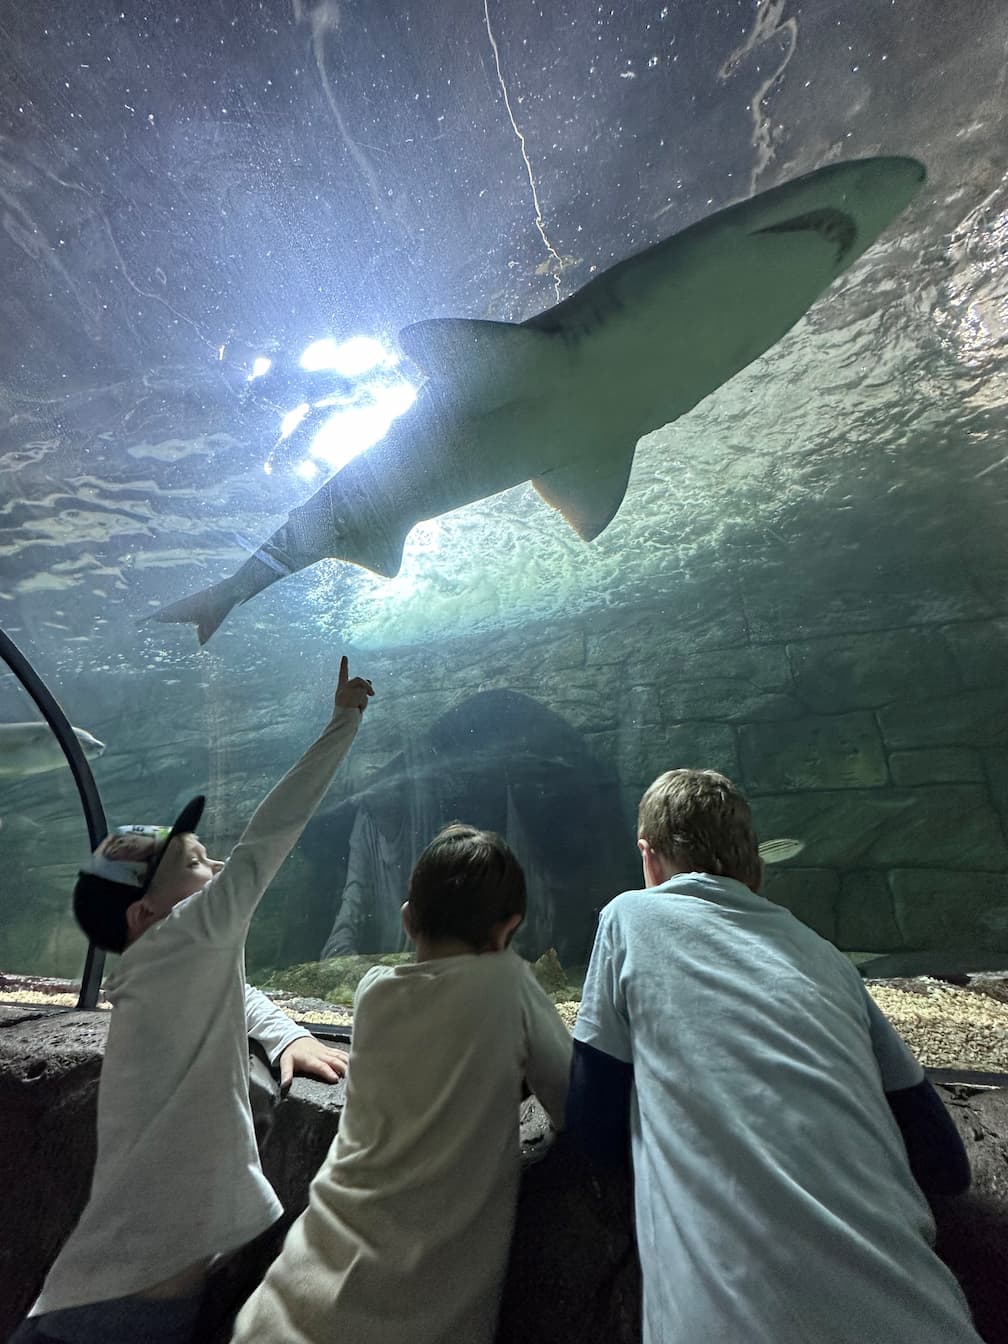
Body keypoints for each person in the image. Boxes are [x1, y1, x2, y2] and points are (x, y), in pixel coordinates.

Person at [12, 655, 374, 1344]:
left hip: (109, 1296)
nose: (197, 845)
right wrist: (342, 723)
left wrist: (284, 1032)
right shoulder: (189, 934)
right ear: (145, 912)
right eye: (180, 852)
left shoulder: (161, 966)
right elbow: (271, 836)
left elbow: (232, 990)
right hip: (119, 1313)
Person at [566, 767, 983, 1344]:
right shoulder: (830, 959)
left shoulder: (630, 916)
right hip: (927, 1317)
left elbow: (591, 1125)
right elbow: (947, 1165)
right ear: (755, 867)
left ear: (649, 858)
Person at [230, 822, 573, 1344]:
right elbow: (571, 1098)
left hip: (287, 1299)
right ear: (509, 930)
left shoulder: (372, 993)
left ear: (408, 919)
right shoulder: (510, 985)